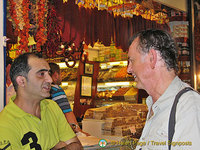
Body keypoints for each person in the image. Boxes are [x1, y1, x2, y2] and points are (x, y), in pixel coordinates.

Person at [127, 29, 200, 150]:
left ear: (152, 58)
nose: (129, 69)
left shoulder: (188, 106)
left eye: (132, 60)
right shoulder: (154, 104)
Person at [0, 53, 83, 149]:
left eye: (49, 73)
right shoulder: (5, 123)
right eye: (41, 74)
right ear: (21, 81)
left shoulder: (52, 107)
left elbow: (77, 146)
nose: (50, 80)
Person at [49, 62, 89, 136]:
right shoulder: (56, 90)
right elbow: (67, 113)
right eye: (60, 74)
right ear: (56, 75)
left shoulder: (40, 89)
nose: (61, 77)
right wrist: (79, 131)